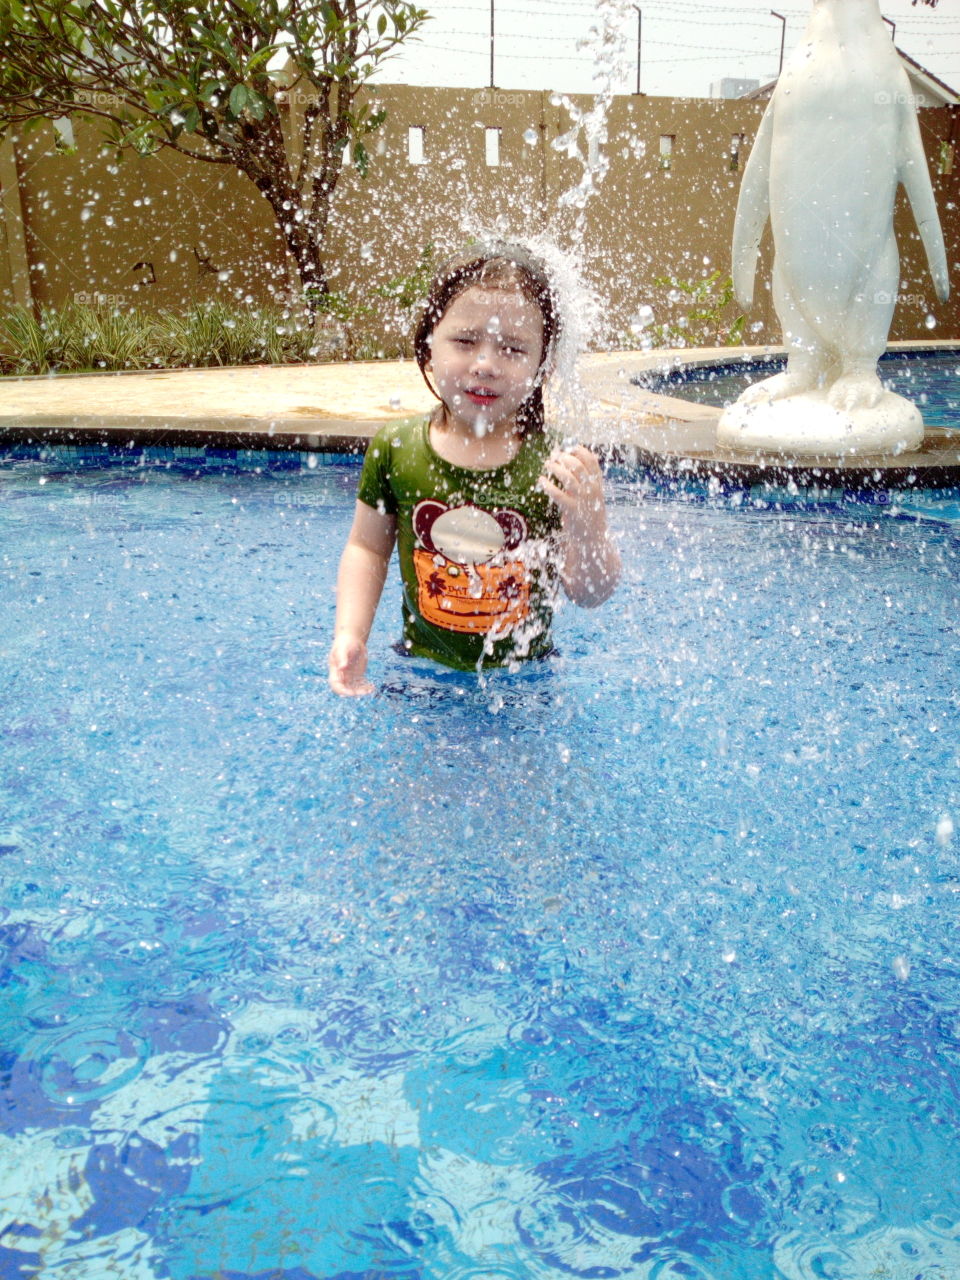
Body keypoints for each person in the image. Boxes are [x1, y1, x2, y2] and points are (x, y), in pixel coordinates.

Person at [328, 243, 620, 696]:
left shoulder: (558, 461)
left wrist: (589, 527)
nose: (486, 364)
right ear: (428, 350)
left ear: (543, 368)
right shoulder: (397, 447)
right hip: (421, 671)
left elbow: (590, 593)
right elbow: (367, 549)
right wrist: (350, 635)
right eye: (465, 342)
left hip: (527, 680)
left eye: (513, 349)